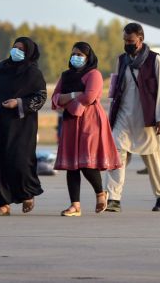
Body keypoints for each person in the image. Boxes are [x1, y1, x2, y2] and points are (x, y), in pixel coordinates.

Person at [106, 23, 160, 212]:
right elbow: (114, 87)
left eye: (130, 41)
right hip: (123, 117)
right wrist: (110, 115)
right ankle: (113, 198)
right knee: (116, 155)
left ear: (140, 40)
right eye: (125, 40)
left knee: (153, 157)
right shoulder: (121, 60)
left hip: (147, 118)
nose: (127, 44)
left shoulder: (154, 60)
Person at [0, 37, 46, 216]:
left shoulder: (33, 73)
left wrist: (19, 102)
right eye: (15, 48)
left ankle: (27, 193)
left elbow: (40, 97)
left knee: (19, 162)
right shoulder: (1, 69)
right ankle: (3, 203)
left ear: (29, 52)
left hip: (21, 125)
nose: (17, 51)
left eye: (22, 49)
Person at [52, 42, 121, 217]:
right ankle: (75, 205)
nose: (76, 57)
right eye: (74, 54)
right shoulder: (66, 75)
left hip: (90, 121)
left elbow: (90, 96)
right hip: (70, 122)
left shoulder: (94, 74)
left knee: (86, 161)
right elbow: (55, 97)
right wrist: (74, 95)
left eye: (80, 54)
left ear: (88, 57)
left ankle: (100, 193)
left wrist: (69, 101)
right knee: (71, 164)